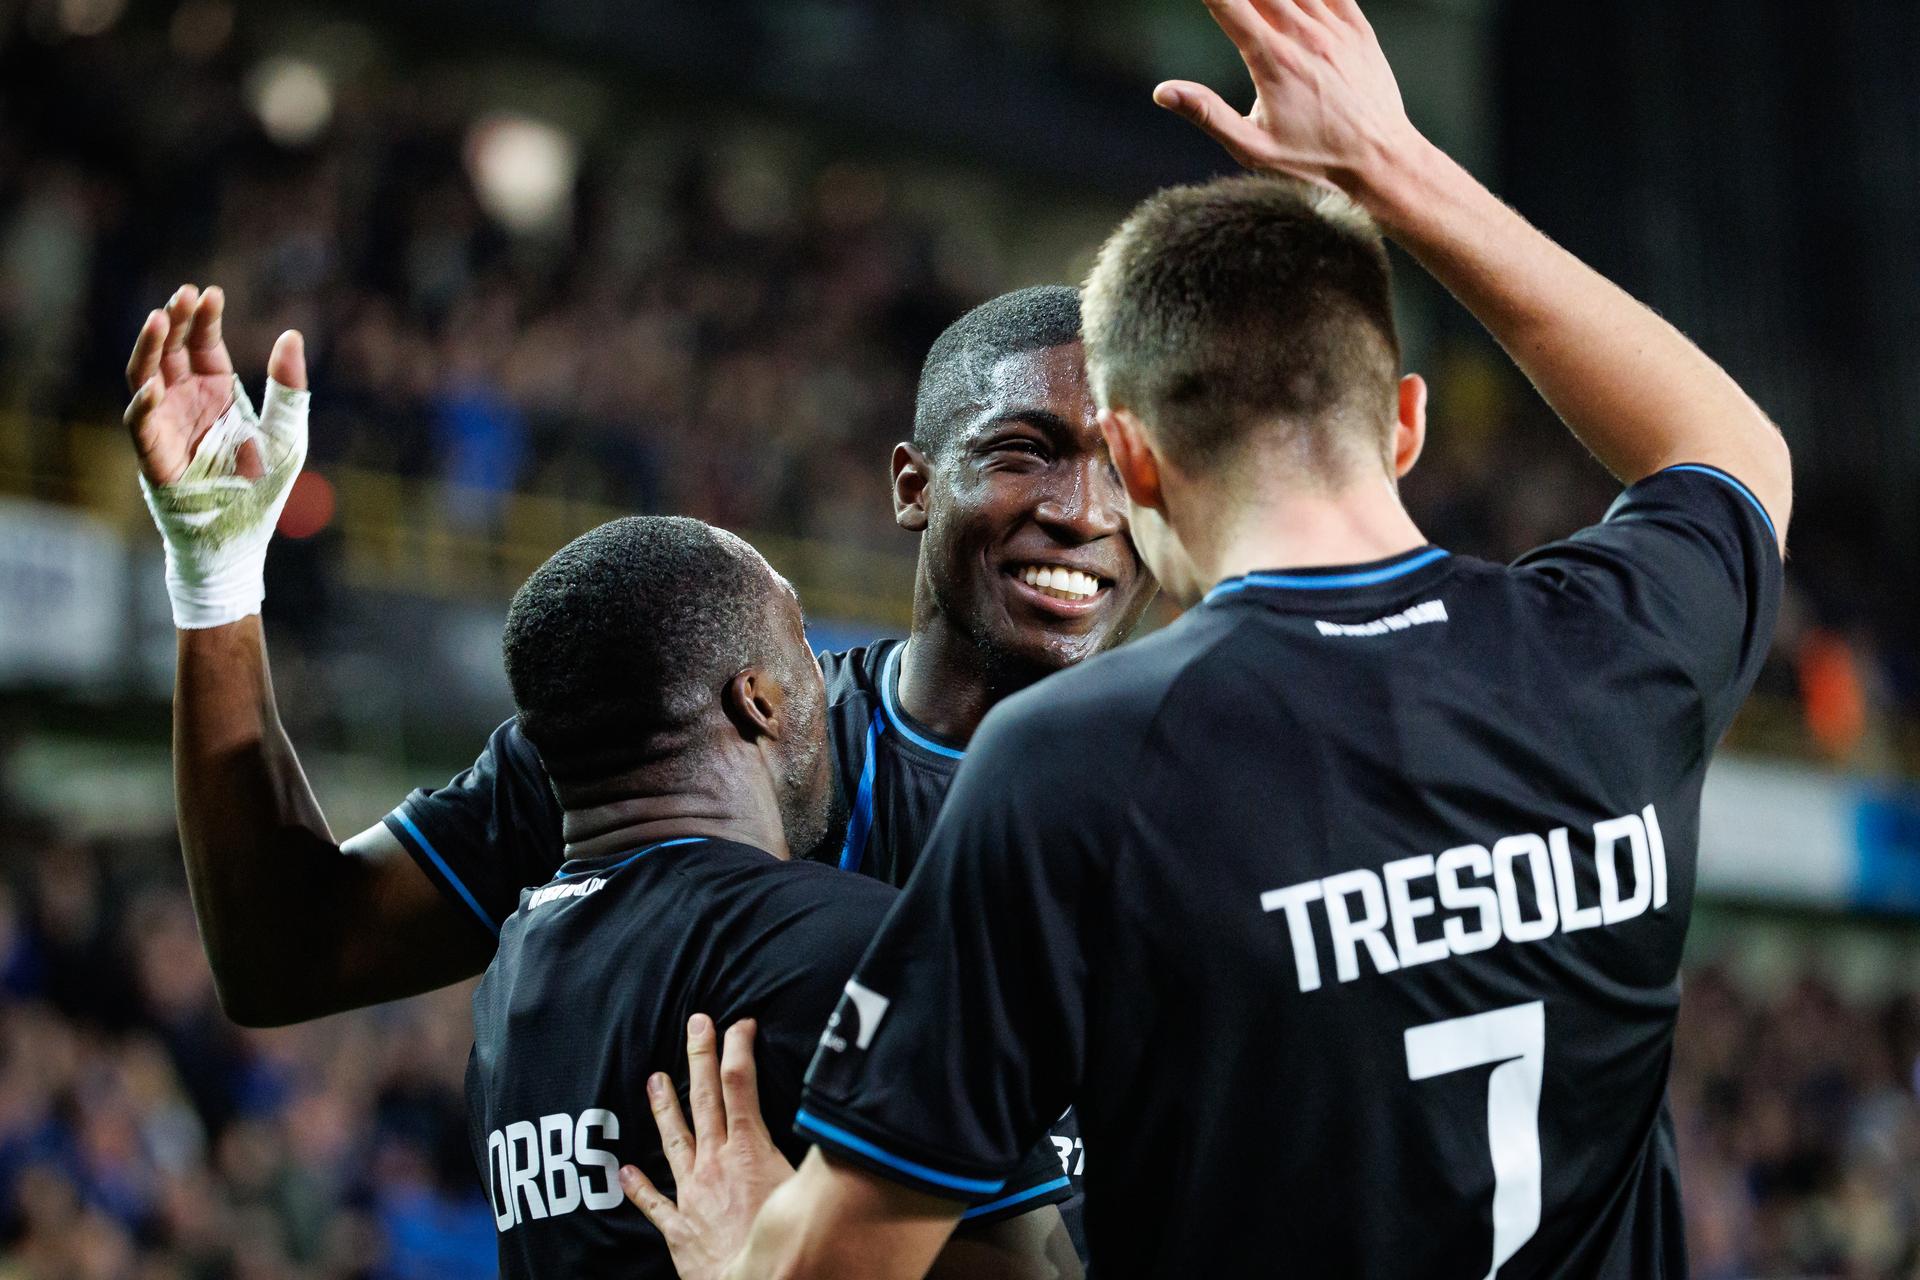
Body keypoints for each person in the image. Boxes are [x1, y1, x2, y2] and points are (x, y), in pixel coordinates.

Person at [626, 1, 1791, 1276]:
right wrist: (1390, 165)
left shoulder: (1078, 763)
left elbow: (839, 1268)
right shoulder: (1614, 649)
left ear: (1128, 456)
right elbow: (1730, 448)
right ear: (1404, 421)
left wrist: (742, 1249)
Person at [121, 282, 1147, 1240]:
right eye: (1026, 452)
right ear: (913, 484)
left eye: (1121, 465)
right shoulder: (698, 735)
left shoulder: (1210, 801)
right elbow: (289, 950)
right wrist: (218, 586)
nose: (1083, 508)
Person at [466, 515, 1075, 1277]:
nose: (825, 684)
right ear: (757, 699)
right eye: (807, 657)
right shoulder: (858, 945)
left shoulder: (506, 989)